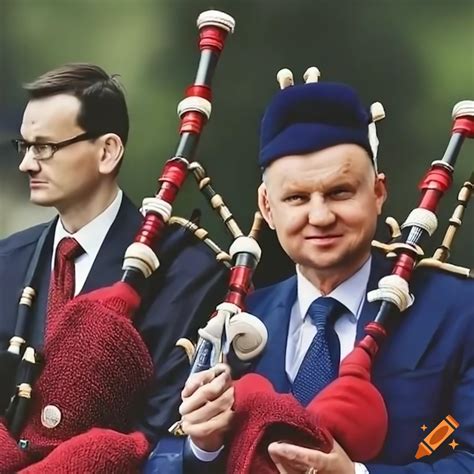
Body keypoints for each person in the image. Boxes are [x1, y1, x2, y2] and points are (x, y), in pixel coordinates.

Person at [146, 70, 474, 473]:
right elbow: (159, 457)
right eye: (297, 198)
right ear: (267, 207)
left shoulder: (459, 312)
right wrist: (204, 447)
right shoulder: (237, 319)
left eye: (340, 192)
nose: (319, 216)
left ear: (378, 194)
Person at [0, 63, 227, 472]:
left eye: (45, 147)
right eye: (25, 147)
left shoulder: (186, 270)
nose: (27, 165)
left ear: (107, 151)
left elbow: (166, 430)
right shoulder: (6, 262)